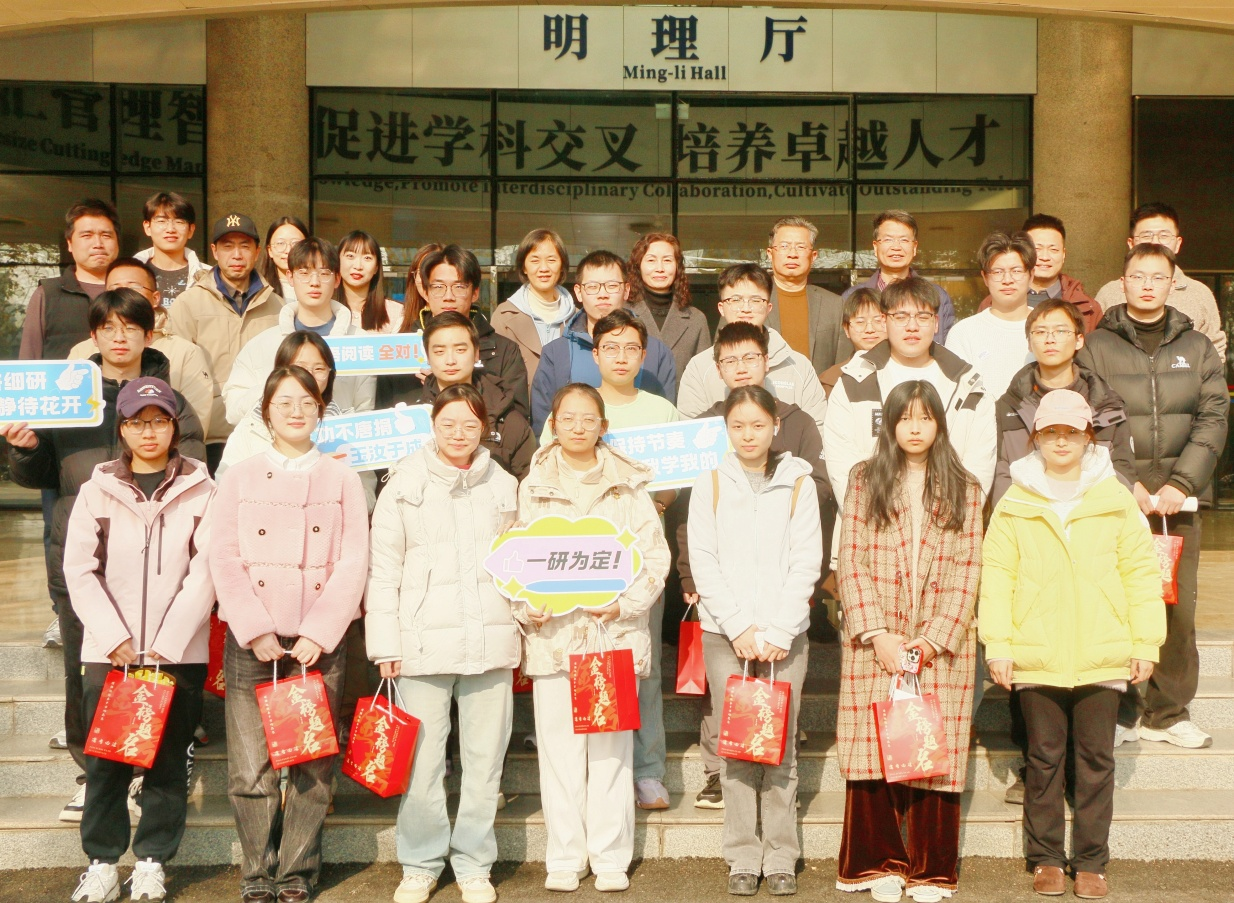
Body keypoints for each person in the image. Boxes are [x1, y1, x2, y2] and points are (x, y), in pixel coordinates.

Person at [3, 289, 205, 825]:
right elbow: (39, 474)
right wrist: (23, 448)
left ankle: (147, 774)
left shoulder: (171, 400)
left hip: (158, 563)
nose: (120, 337)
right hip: (81, 555)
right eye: (108, 327)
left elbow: (192, 471)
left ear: (148, 334)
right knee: (86, 675)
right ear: (93, 336)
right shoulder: (68, 395)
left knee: (157, 671)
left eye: (131, 327)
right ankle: (90, 775)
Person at [980, 390, 1165, 900]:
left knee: (1095, 760)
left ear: (1089, 437)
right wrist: (998, 644)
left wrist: (1145, 643)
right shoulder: (1015, 501)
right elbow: (997, 577)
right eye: (1051, 433)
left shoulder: (1115, 498)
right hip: (1036, 651)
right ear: (1036, 437)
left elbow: (1140, 574)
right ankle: (1045, 858)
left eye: (1072, 432)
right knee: (1043, 758)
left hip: (1101, 649)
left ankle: (1090, 861)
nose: (1061, 442)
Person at [209, 366, 368, 903]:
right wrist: (254, 628)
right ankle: (257, 872)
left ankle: (297, 870)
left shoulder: (342, 478)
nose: (296, 411)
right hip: (254, 643)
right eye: (284, 403)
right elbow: (223, 556)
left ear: (321, 410)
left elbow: (353, 560)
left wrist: (320, 631)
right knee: (249, 769)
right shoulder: (240, 476)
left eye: (307, 402)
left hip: (316, 645)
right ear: (266, 412)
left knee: (312, 765)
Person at [61, 377, 215, 903]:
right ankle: (103, 863)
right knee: (105, 762)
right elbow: (79, 570)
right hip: (111, 654)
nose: (149, 432)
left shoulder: (203, 488)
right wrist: (112, 637)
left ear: (174, 426)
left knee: (168, 761)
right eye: (137, 422)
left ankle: (152, 861)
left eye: (159, 421)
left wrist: (170, 640)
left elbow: (208, 570)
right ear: (122, 429)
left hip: (178, 653)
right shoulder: (96, 490)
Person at [366, 384, 520, 903]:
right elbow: (383, 570)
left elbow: (520, 564)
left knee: (485, 761)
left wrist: (527, 617)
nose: (459, 434)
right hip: (420, 643)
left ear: (485, 428)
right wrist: (384, 644)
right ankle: (420, 863)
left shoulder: (504, 485)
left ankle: (474, 863)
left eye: (470, 424)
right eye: (448, 424)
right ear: (432, 426)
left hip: (490, 638)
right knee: (422, 763)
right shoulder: (403, 484)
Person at [516, 383, 670, 894]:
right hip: (554, 638)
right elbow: (513, 559)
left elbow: (655, 558)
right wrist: (525, 606)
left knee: (610, 754)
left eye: (588, 419)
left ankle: (609, 856)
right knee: (559, 755)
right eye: (568, 418)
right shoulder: (533, 485)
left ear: (604, 426)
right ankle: (565, 856)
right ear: (553, 424)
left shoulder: (628, 486)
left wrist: (625, 605)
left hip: (611, 637)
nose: (578, 427)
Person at [835, 380, 983, 903]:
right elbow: (850, 559)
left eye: (925, 418)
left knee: (931, 748)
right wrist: (878, 634)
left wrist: (932, 640)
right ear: (890, 425)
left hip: (938, 642)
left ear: (939, 423)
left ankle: (929, 868)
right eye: (904, 418)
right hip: (878, 639)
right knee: (873, 750)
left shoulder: (965, 486)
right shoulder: (864, 479)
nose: (914, 428)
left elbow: (969, 568)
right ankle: (877, 863)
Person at [1078, 243, 1228, 750]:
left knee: (1176, 608)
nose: (1147, 285)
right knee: (1116, 602)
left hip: (1178, 503)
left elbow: (1213, 417)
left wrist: (1181, 484)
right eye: (1138, 276)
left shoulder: (1198, 346)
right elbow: (1092, 420)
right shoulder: (1096, 346)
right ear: (1122, 283)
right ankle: (1120, 710)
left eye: (1157, 277)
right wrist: (1129, 485)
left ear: (1171, 283)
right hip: (1118, 497)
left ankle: (1168, 712)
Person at [676, 322, 830, 812]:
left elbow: (809, 541)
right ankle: (717, 777)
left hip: (782, 610)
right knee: (725, 710)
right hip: (727, 610)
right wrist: (690, 576)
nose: (748, 433)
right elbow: (694, 525)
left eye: (750, 357)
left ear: (767, 360)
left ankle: (780, 821)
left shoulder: (798, 427)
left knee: (778, 724)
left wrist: (783, 622)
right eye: (731, 359)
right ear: (717, 367)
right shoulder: (703, 430)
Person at [686, 385, 822, 897]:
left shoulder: (798, 483)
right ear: (726, 429)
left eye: (758, 425)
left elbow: (806, 561)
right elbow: (704, 559)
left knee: (781, 746)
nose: (748, 435)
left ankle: (781, 854)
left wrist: (779, 630)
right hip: (727, 636)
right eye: (738, 426)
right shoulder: (710, 483)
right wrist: (740, 627)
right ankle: (742, 854)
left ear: (775, 427)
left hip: (787, 637)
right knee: (737, 747)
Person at [825, 277, 997, 513]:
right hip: (872, 524)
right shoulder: (854, 383)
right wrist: (875, 524)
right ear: (885, 321)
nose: (912, 326)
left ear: (936, 323)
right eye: (901, 317)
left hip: (948, 525)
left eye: (923, 317)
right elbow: (842, 466)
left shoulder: (968, 385)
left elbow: (979, 467)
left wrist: (949, 523)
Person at [167, 212, 284, 473]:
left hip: (263, 432)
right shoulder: (189, 303)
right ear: (214, 251)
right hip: (206, 434)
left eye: (245, 246)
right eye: (228, 246)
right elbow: (175, 371)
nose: (237, 255)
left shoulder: (278, 306)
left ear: (257, 252)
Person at [993, 298, 1136, 507]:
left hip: (1093, 516)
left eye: (1061, 331)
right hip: (1028, 516)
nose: (1050, 340)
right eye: (1040, 332)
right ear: (1029, 343)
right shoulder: (1010, 406)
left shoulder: (1108, 405)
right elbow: (1002, 472)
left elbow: (1122, 471)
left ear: (1079, 340)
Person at [224, 236, 374, 425]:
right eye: (304, 273)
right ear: (290, 277)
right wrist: (277, 385)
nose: (314, 282)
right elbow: (233, 412)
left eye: (324, 273)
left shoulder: (359, 343)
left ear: (337, 279)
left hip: (339, 441)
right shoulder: (261, 344)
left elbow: (365, 410)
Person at [531, 251, 676, 434]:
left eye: (612, 286)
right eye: (592, 287)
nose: (602, 294)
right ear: (579, 292)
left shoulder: (656, 352)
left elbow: (667, 423)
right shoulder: (556, 353)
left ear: (626, 290)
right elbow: (543, 425)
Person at [69, 258, 214, 438]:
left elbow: (192, 428)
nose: (124, 294)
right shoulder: (81, 353)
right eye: (115, 288)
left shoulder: (186, 352)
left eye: (134, 287)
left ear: (156, 298)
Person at [382, 311, 535, 481]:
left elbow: (529, 486)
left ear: (476, 353)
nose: (450, 360)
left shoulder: (508, 420)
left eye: (460, 350)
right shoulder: (408, 418)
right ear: (427, 357)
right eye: (439, 351)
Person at [677, 263, 829, 432]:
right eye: (735, 300)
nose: (745, 308)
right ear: (721, 308)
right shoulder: (699, 368)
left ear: (769, 307)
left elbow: (817, 429)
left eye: (755, 300)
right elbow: (691, 431)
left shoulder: (798, 366)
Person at [383, 244, 529, 417]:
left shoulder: (504, 350)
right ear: (425, 292)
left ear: (475, 293)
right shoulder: (396, 350)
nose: (448, 297)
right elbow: (381, 414)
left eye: (459, 287)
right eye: (438, 287)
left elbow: (516, 417)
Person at [1093, 203, 1227, 358]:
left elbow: (1214, 352)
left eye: (1164, 236)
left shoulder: (1200, 294)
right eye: (1146, 236)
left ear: (1178, 244)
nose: (1155, 242)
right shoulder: (1109, 293)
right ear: (1131, 244)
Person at [220, 332, 344, 475]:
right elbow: (227, 482)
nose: (310, 375)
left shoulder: (345, 428)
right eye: (300, 368)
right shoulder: (250, 428)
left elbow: (359, 483)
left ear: (330, 373)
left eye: (319, 369)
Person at [19, 198, 120, 361]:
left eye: (106, 235)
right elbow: (28, 360)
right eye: (87, 235)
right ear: (70, 244)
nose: (98, 244)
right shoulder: (47, 294)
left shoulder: (132, 291)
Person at [945, 231, 1036, 400]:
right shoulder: (963, 333)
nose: (1007, 280)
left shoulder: (1048, 329)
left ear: (1031, 275)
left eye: (1016, 271)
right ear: (985, 278)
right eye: (998, 272)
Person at [843, 211, 956, 342]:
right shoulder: (850, 297)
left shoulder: (938, 296)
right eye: (888, 240)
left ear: (914, 247)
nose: (896, 247)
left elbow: (944, 347)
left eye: (904, 240)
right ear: (875, 247)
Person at [975, 214, 1101, 332]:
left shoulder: (1087, 306)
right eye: (1037, 249)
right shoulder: (990, 304)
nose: (1045, 257)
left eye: (1053, 249)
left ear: (1063, 254)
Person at [762, 216, 852, 372]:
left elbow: (844, 364)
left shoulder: (835, 305)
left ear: (813, 256)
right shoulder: (747, 301)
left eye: (801, 247)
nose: (792, 254)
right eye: (784, 246)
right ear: (770, 253)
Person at [626, 232, 710, 389]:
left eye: (667, 260)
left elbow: (705, 375)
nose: (660, 268)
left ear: (677, 266)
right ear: (638, 266)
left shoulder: (696, 319)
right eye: (651, 260)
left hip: (681, 403)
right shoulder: (622, 314)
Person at [491, 228, 577, 382]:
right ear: (524, 267)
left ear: (562, 265)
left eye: (551, 260)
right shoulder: (504, 316)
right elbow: (495, 375)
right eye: (535, 260)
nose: (543, 268)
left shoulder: (578, 318)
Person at [134, 191, 208, 305]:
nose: (170, 229)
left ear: (191, 230)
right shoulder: (128, 274)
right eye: (161, 221)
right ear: (147, 227)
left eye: (179, 222)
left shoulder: (210, 277)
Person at [820, 288, 886, 397]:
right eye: (860, 322)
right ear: (846, 329)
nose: (869, 329)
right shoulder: (831, 379)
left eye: (878, 321)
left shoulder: (907, 369)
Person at [336, 230, 403, 334]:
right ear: (337, 261)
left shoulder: (395, 312)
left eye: (367, 258)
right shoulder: (324, 310)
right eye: (350, 256)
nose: (358, 266)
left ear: (376, 267)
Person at [258, 216, 309, 302]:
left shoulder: (319, 287)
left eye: (296, 243)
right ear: (270, 250)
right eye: (280, 243)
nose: (288, 250)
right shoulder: (258, 291)